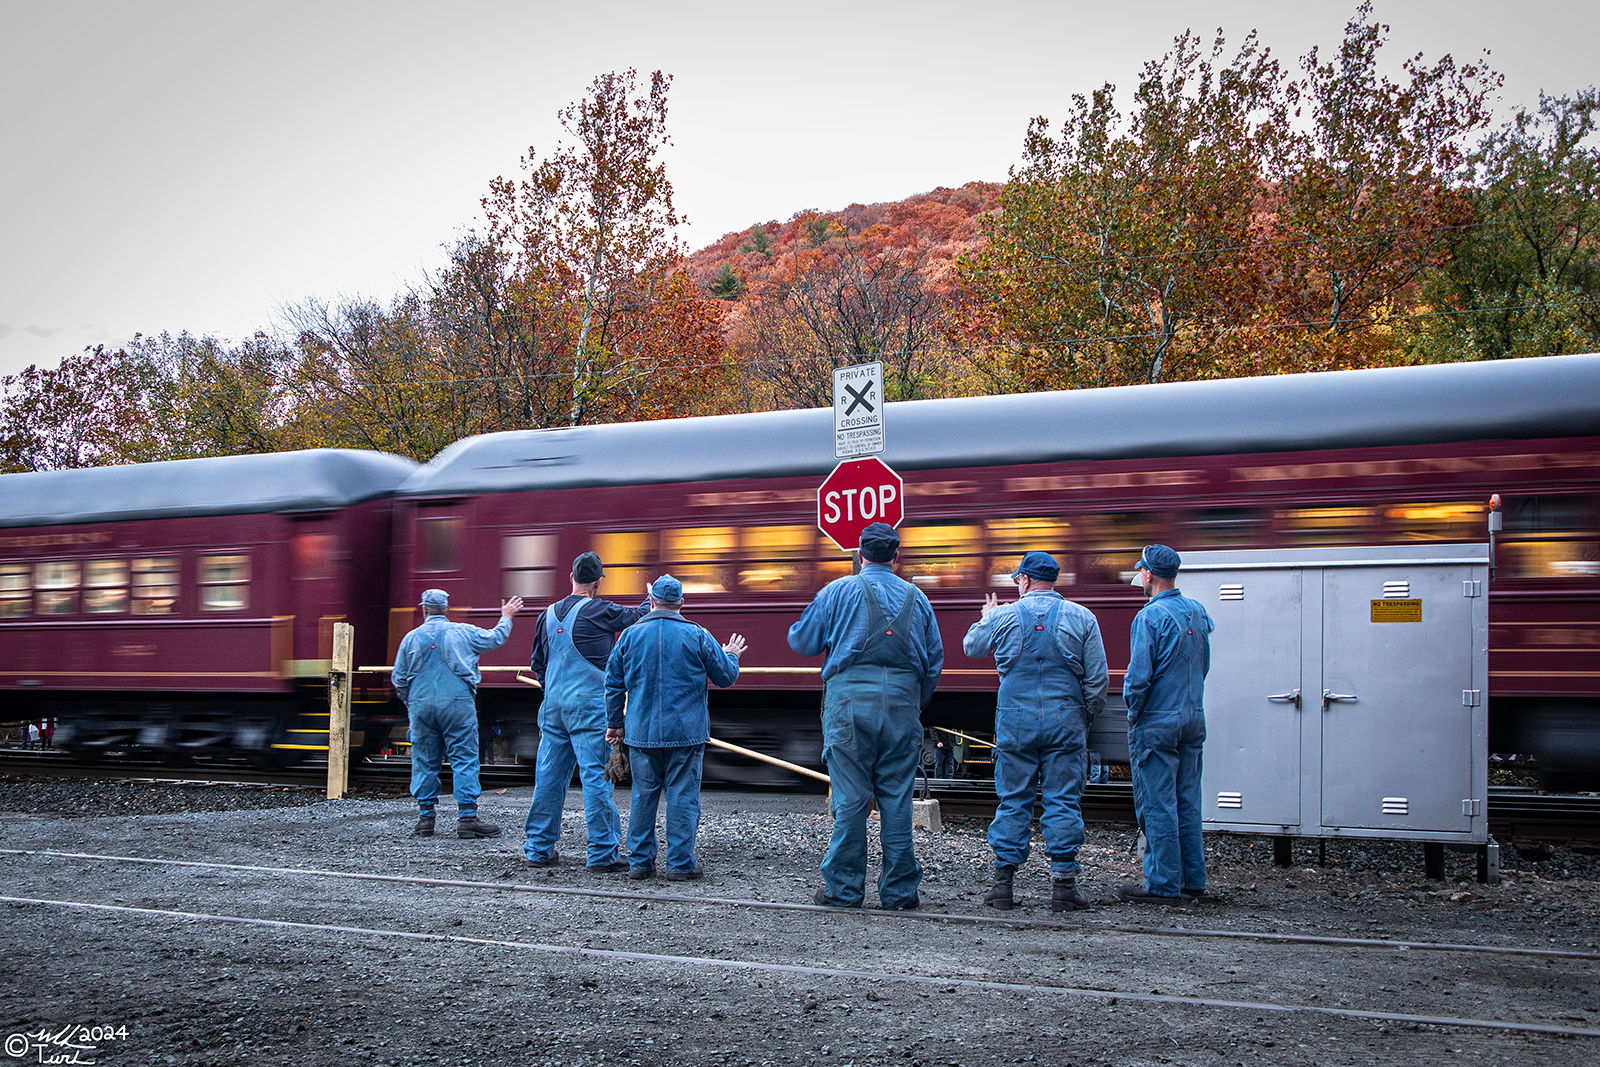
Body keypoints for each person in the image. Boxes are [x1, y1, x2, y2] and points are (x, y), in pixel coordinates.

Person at [787, 521, 944, 910]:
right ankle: (901, 893)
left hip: (849, 705)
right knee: (896, 799)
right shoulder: (917, 598)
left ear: (859, 554)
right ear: (896, 556)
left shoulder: (838, 591)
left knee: (852, 799)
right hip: (903, 707)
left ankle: (843, 890)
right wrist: (912, 703)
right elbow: (934, 663)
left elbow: (801, 641)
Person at [963, 551, 1108, 912]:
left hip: (1016, 720)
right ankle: (1063, 887)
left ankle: (1003, 886)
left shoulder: (1004, 614)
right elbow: (1098, 680)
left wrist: (987, 617)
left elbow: (971, 647)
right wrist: (1083, 715)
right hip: (1065, 720)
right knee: (1062, 800)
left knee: (1014, 799)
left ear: (1024, 580)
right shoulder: (1082, 617)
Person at [604, 574, 745, 880]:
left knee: (643, 796)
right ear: (682, 603)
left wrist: (615, 724)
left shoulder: (629, 636)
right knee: (682, 797)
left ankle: (640, 863)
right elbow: (725, 677)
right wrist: (732, 654)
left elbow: (613, 684)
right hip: (686, 733)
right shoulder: (697, 634)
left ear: (651, 601)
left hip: (642, 733)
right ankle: (680, 865)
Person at [523, 551, 650, 871]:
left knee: (548, 779)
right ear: (597, 583)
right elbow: (639, 617)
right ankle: (602, 854)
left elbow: (538, 663)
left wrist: (552, 690)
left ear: (571, 578)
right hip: (590, 708)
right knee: (596, 779)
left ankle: (538, 849)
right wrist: (650, 597)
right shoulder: (601, 609)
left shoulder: (547, 614)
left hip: (552, 708)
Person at [1120, 544, 1214, 905]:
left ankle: (1163, 884)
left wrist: (1133, 713)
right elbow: (1203, 664)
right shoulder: (1197, 611)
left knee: (1158, 804)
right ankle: (1193, 883)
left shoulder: (1148, 618)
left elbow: (1138, 679)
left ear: (1148, 574)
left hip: (1158, 722)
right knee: (1188, 802)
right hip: (1193, 717)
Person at [392, 589, 522, 839]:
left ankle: (425, 820)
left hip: (421, 706)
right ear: (446, 609)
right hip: (457, 704)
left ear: (423, 609)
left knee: (424, 760)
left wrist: (413, 705)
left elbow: (398, 679)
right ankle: (467, 819)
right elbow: (495, 638)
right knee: (464, 758)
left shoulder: (410, 638)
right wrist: (507, 616)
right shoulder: (462, 631)